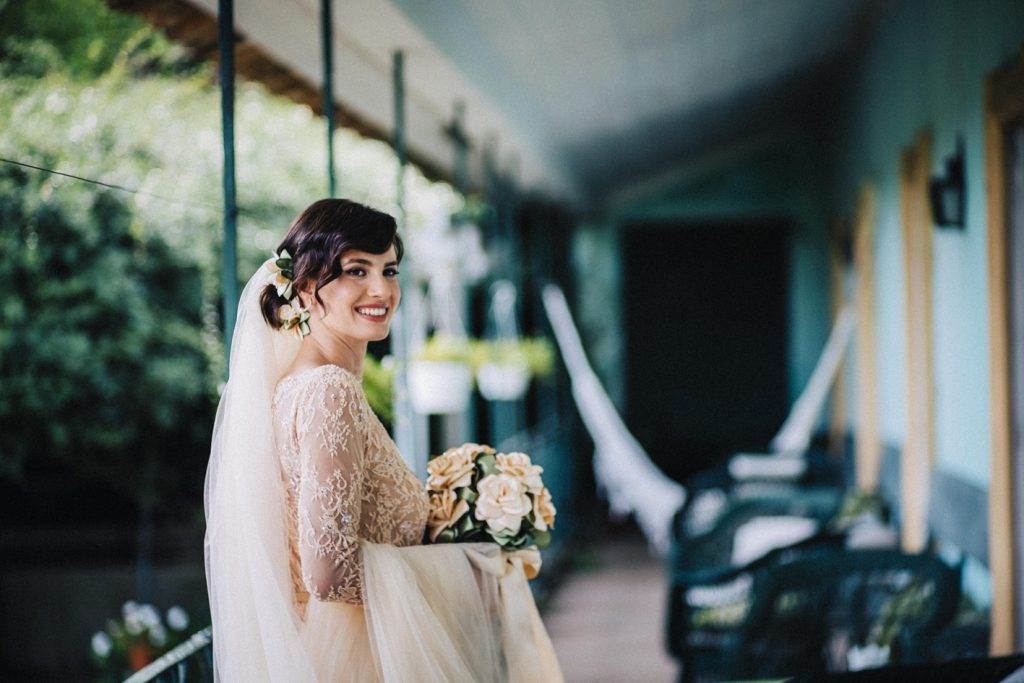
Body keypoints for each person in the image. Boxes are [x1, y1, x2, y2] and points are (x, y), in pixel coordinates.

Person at [204, 198, 563, 682]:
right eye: (356, 270)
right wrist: (464, 566)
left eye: (389, 270)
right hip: (362, 661)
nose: (381, 289)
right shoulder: (327, 391)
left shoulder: (307, 383)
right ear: (308, 290)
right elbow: (329, 574)